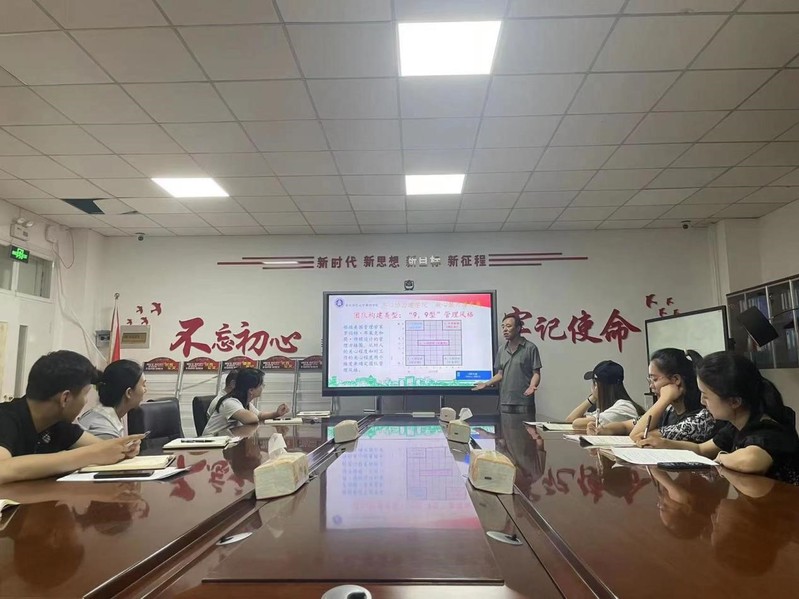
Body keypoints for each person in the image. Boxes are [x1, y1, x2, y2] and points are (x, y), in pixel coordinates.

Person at [638, 351, 799, 484]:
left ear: (734, 401)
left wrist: (722, 457)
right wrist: (665, 443)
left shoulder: (768, 428)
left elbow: (750, 460)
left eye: (706, 396)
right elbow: (701, 449)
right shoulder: (735, 425)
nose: (702, 401)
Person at [0, 350, 144, 485]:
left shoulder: (57, 424)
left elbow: (102, 448)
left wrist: (124, 449)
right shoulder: (6, 417)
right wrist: (87, 456)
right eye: (85, 394)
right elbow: (3, 469)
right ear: (65, 398)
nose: (86, 401)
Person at [590, 348, 717, 443]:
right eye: (649, 380)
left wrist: (664, 399)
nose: (651, 386)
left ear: (676, 380)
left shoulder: (701, 418)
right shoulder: (669, 410)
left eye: (654, 379)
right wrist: (604, 429)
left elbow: (637, 434)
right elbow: (625, 426)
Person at [472, 313, 542, 417]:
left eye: (508, 326)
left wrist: (532, 386)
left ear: (518, 328)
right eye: (503, 327)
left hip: (524, 401)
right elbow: (500, 374)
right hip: (505, 402)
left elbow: (536, 373)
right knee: (505, 427)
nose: (505, 329)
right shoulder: (502, 349)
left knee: (525, 427)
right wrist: (486, 384)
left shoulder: (530, 348)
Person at [202, 368, 289, 436]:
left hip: (226, 440)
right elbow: (252, 418)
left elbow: (259, 415)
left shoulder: (242, 401)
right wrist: (255, 416)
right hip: (212, 444)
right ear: (251, 390)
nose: (263, 387)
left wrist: (276, 413)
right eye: (261, 385)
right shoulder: (230, 402)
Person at [78, 359, 147, 439]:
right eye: (143, 385)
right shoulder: (105, 430)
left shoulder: (109, 415)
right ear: (129, 393)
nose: (145, 390)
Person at [565, 360, 645, 428]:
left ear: (597, 385)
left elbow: (577, 424)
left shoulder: (624, 407)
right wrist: (593, 398)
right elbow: (570, 421)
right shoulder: (609, 407)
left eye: (594, 383)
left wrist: (594, 396)